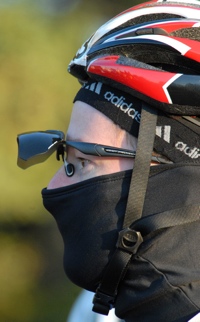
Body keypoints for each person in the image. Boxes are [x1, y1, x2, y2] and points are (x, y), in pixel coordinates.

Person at [17, 0, 200, 321]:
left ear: (179, 175)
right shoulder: (94, 313)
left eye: (83, 160)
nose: (53, 185)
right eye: (63, 155)